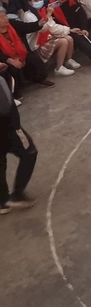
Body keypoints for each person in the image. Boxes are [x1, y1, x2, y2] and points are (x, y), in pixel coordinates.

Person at [0, 74, 36, 214]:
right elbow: (4, 106)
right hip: (7, 126)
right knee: (29, 152)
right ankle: (17, 195)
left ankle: (2, 200)